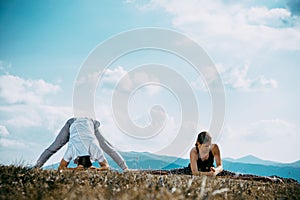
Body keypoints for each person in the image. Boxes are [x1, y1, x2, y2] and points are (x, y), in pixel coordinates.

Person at [35, 117, 128, 171]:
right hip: (73, 123)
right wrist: (75, 170)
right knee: (55, 146)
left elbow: (61, 168)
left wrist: (97, 169)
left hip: (89, 124)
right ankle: (36, 167)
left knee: (105, 145)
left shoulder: (94, 148)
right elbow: (61, 168)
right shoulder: (74, 149)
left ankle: (125, 169)